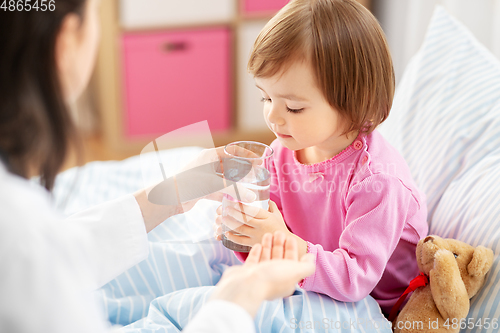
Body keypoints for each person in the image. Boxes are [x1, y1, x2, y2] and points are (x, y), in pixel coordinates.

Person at [0, 0, 315, 332]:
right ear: (65, 42)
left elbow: (58, 255)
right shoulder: (21, 237)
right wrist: (242, 294)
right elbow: (37, 260)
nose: (274, 117)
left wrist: (174, 191)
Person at [215, 0, 429, 316]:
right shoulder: (283, 152)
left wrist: (282, 241)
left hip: (371, 304)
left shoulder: (378, 181)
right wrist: (246, 231)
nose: (273, 116)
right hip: (311, 280)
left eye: (294, 107)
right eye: (266, 97)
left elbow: (355, 279)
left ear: (354, 101)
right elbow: (274, 231)